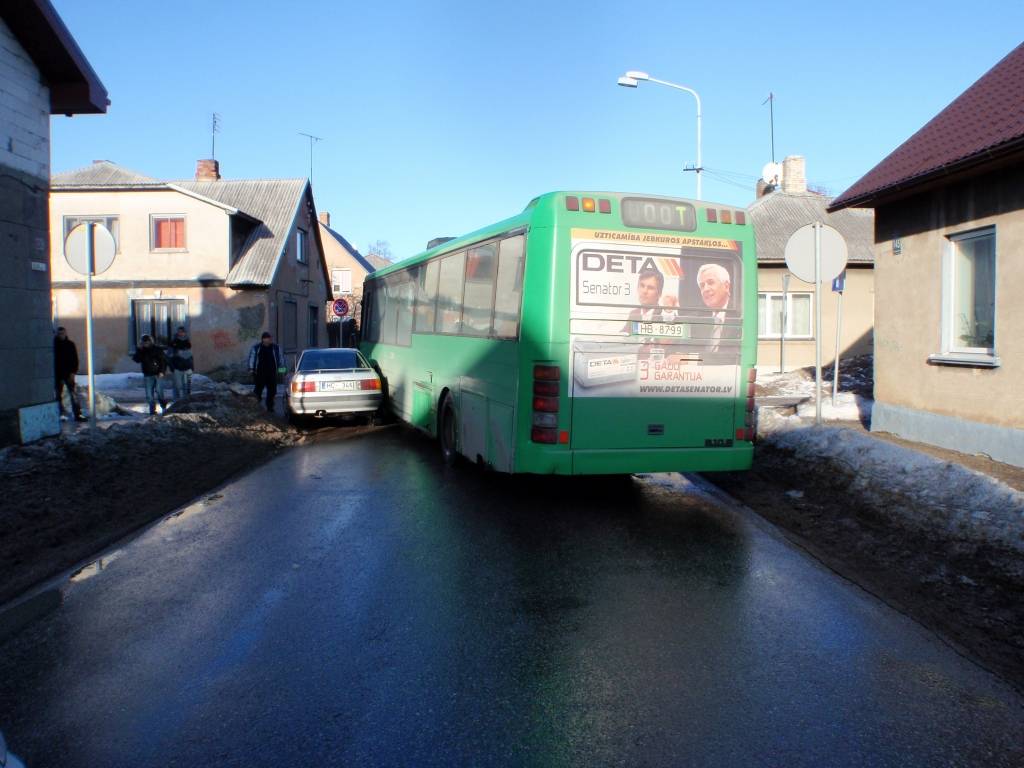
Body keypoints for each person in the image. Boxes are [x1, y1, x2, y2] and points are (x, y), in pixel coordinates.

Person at [53, 327, 86, 422]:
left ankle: (78, 414)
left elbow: (75, 360)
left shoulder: (70, 345)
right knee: (57, 396)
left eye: (63, 333)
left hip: (68, 374)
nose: (61, 335)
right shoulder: (53, 345)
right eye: (59, 333)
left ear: (65, 333)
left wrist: (73, 372)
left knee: (73, 394)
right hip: (57, 374)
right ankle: (59, 415)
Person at [248, 332, 285, 413]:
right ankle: (256, 406)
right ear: (263, 339)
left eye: (270, 338)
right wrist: (251, 369)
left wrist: (282, 371)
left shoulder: (276, 348)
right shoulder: (257, 348)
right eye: (268, 338)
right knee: (258, 390)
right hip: (259, 373)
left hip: (272, 373)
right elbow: (252, 358)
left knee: (272, 391)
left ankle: (270, 407)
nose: (270, 340)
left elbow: (281, 359)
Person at [132, 334, 168, 415]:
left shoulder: (157, 349)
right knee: (149, 394)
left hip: (158, 374)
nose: (146, 344)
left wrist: (162, 371)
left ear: (150, 341)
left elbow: (163, 361)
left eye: (147, 342)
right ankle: (152, 410)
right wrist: (139, 349)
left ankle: (163, 407)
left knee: (159, 391)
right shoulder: (142, 351)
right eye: (144, 342)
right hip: (148, 374)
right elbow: (136, 359)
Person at [167, 326, 194, 400]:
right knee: (177, 386)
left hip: (187, 367)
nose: (181, 333)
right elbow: (169, 355)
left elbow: (190, 356)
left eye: (182, 332)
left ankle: (186, 402)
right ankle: (176, 402)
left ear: (185, 333)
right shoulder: (173, 342)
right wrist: (172, 367)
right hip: (177, 367)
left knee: (187, 387)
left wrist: (192, 367)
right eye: (179, 332)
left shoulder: (188, 342)